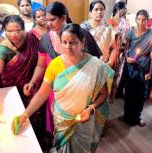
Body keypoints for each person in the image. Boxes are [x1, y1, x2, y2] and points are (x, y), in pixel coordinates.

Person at [12, 23, 114, 153]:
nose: (68, 47)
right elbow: (42, 93)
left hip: (83, 121)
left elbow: (103, 93)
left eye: (73, 42)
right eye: (64, 42)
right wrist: (25, 114)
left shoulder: (95, 66)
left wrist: (90, 109)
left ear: (82, 42)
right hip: (61, 120)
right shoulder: (55, 65)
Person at [23, 1, 102, 136]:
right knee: (61, 131)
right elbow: (41, 65)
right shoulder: (46, 39)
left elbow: (96, 64)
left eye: (52, 19)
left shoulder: (82, 34)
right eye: (47, 20)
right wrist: (33, 81)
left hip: (82, 92)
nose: (48, 24)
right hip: (56, 91)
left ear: (64, 17)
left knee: (81, 131)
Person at [0, 15, 38, 106]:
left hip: (31, 85)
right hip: (11, 90)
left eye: (18, 31)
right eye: (9, 31)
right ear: (4, 31)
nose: (13, 34)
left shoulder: (32, 37)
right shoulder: (3, 48)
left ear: (23, 29)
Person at [122, 10, 152, 126]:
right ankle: (127, 116)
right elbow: (126, 48)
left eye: (144, 20)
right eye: (139, 19)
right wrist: (127, 58)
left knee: (141, 92)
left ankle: (138, 116)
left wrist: (150, 71)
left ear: (148, 20)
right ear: (136, 20)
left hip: (144, 65)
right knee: (129, 91)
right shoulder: (130, 33)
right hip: (131, 65)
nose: (141, 22)